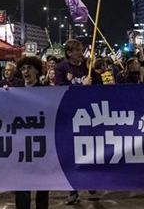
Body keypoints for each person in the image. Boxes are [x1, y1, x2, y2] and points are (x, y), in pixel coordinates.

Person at [54, 40, 93, 205]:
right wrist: (81, 86)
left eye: (81, 50)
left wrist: (93, 71)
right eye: (78, 50)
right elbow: (60, 88)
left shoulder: (86, 67)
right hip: (70, 116)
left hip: (88, 115)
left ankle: (91, 181)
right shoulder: (61, 68)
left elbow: (97, 85)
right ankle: (73, 189)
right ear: (69, 53)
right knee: (72, 154)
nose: (81, 53)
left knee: (90, 150)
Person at [12, 56, 49, 209]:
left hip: (41, 143)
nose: (26, 71)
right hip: (22, 144)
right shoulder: (15, 91)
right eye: (23, 69)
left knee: (43, 184)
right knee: (22, 183)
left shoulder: (46, 91)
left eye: (29, 68)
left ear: (37, 71)